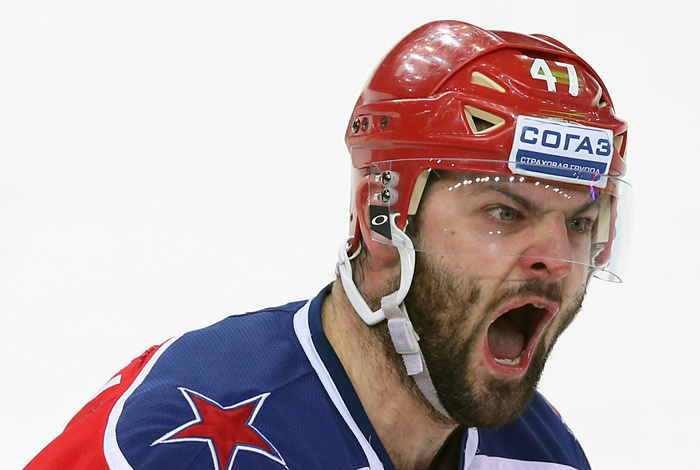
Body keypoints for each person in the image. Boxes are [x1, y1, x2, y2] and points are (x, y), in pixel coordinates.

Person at [26, 20, 629, 470]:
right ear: (381, 219)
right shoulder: (184, 441)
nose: (558, 258)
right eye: (504, 213)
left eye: (579, 224)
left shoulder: (540, 451)